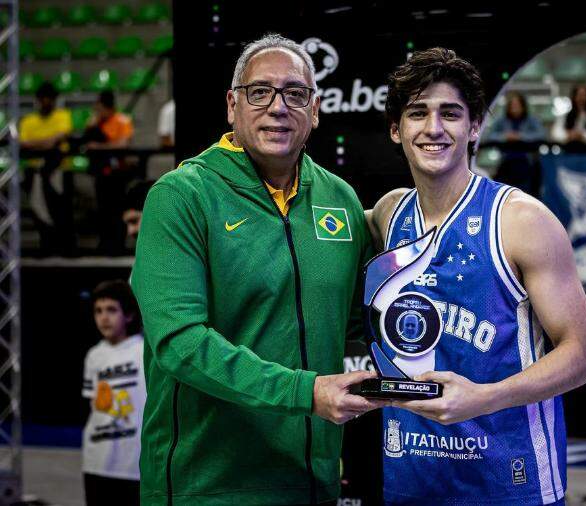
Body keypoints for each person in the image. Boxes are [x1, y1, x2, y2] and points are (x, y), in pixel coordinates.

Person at [130, 33, 385, 505]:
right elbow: (179, 343)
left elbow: (356, 323)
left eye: (295, 93)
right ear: (232, 105)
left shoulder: (340, 199)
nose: (278, 107)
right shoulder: (181, 196)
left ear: (315, 108)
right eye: (260, 92)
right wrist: (304, 392)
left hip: (314, 485)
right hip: (207, 487)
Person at [366, 47, 586, 505]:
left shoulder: (520, 220)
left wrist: (484, 397)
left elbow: (583, 355)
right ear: (396, 129)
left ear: (474, 128)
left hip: (511, 481)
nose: (434, 128)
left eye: (450, 114)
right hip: (411, 480)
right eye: (418, 113)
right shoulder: (387, 216)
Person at [82, 280, 145, 506]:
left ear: (128, 315)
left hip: (134, 465)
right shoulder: (94, 356)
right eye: (98, 311)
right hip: (96, 460)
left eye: (111, 310)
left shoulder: (144, 352)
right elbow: (95, 405)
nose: (104, 317)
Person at [19, 82, 75, 255]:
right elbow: (23, 143)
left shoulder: (62, 115)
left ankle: (65, 250)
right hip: (35, 173)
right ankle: (47, 248)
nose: (46, 102)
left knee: (62, 213)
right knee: (40, 213)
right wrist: (49, 143)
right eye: (42, 99)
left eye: (49, 99)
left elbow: (60, 137)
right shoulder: (28, 121)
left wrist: (38, 144)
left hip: (58, 172)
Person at [84, 90, 135, 255]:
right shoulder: (96, 123)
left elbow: (123, 144)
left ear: (109, 107)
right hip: (101, 173)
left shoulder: (122, 120)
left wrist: (99, 147)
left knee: (117, 210)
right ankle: (104, 245)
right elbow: (86, 142)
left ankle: (118, 245)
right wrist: (92, 124)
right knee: (102, 210)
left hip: (118, 174)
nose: (98, 111)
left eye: (100, 108)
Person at [485, 92, 546, 196]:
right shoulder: (502, 120)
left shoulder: (531, 120)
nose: (514, 108)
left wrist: (520, 136)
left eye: (517, 105)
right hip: (506, 163)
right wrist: (505, 136)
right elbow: (489, 135)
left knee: (525, 194)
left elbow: (541, 135)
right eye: (512, 105)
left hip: (526, 164)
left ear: (523, 106)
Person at [551, 84, 586, 151]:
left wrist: (581, 135)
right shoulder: (566, 115)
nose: (581, 98)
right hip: (569, 148)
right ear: (574, 97)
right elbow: (556, 132)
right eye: (579, 95)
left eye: (584, 95)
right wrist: (569, 135)